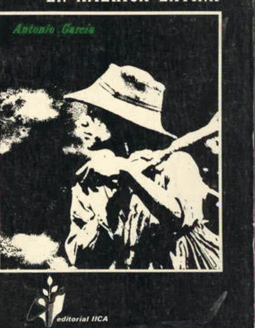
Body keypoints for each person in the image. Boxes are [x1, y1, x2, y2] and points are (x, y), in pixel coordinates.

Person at [63, 64, 219, 270]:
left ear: (122, 122)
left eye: (94, 112)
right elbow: (82, 259)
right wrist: (109, 201)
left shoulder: (177, 163)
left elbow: (178, 221)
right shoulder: (90, 179)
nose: (83, 121)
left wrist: (129, 174)